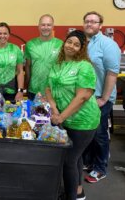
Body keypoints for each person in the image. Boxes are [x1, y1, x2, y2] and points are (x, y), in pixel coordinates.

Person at [45, 30, 100, 200]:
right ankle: (78, 191)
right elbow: (48, 87)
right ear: (65, 42)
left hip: (83, 120)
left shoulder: (84, 66)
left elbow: (83, 96)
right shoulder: (58, 63)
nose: (71, 46)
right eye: (69, 42)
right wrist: (54, 107)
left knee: (69, 159)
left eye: (77, 44)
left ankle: (71, 197)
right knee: (76, 157)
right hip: (64, 118)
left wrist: (61, 117)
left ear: (82, 48)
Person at [82, 11, 121, 183]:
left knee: (99, 134)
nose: (89, 24)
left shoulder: (108, 45)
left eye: (93, 21)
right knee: (87, 131)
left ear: (100, 25)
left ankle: (100, 167)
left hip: (100, 98)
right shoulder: (83, 42)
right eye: (87, 21)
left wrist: (104, 99)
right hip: (85, 96)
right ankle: (89, 161)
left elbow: (112, 73)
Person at [24, 14, 63, 99]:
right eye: (43, 24)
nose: (46, 27)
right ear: (38, 26)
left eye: (48, 25)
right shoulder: (30, 44)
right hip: (34, 90)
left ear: (53, 26)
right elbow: (28, 67)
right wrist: (26, 87)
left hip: (54, 90)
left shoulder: (61, 44)